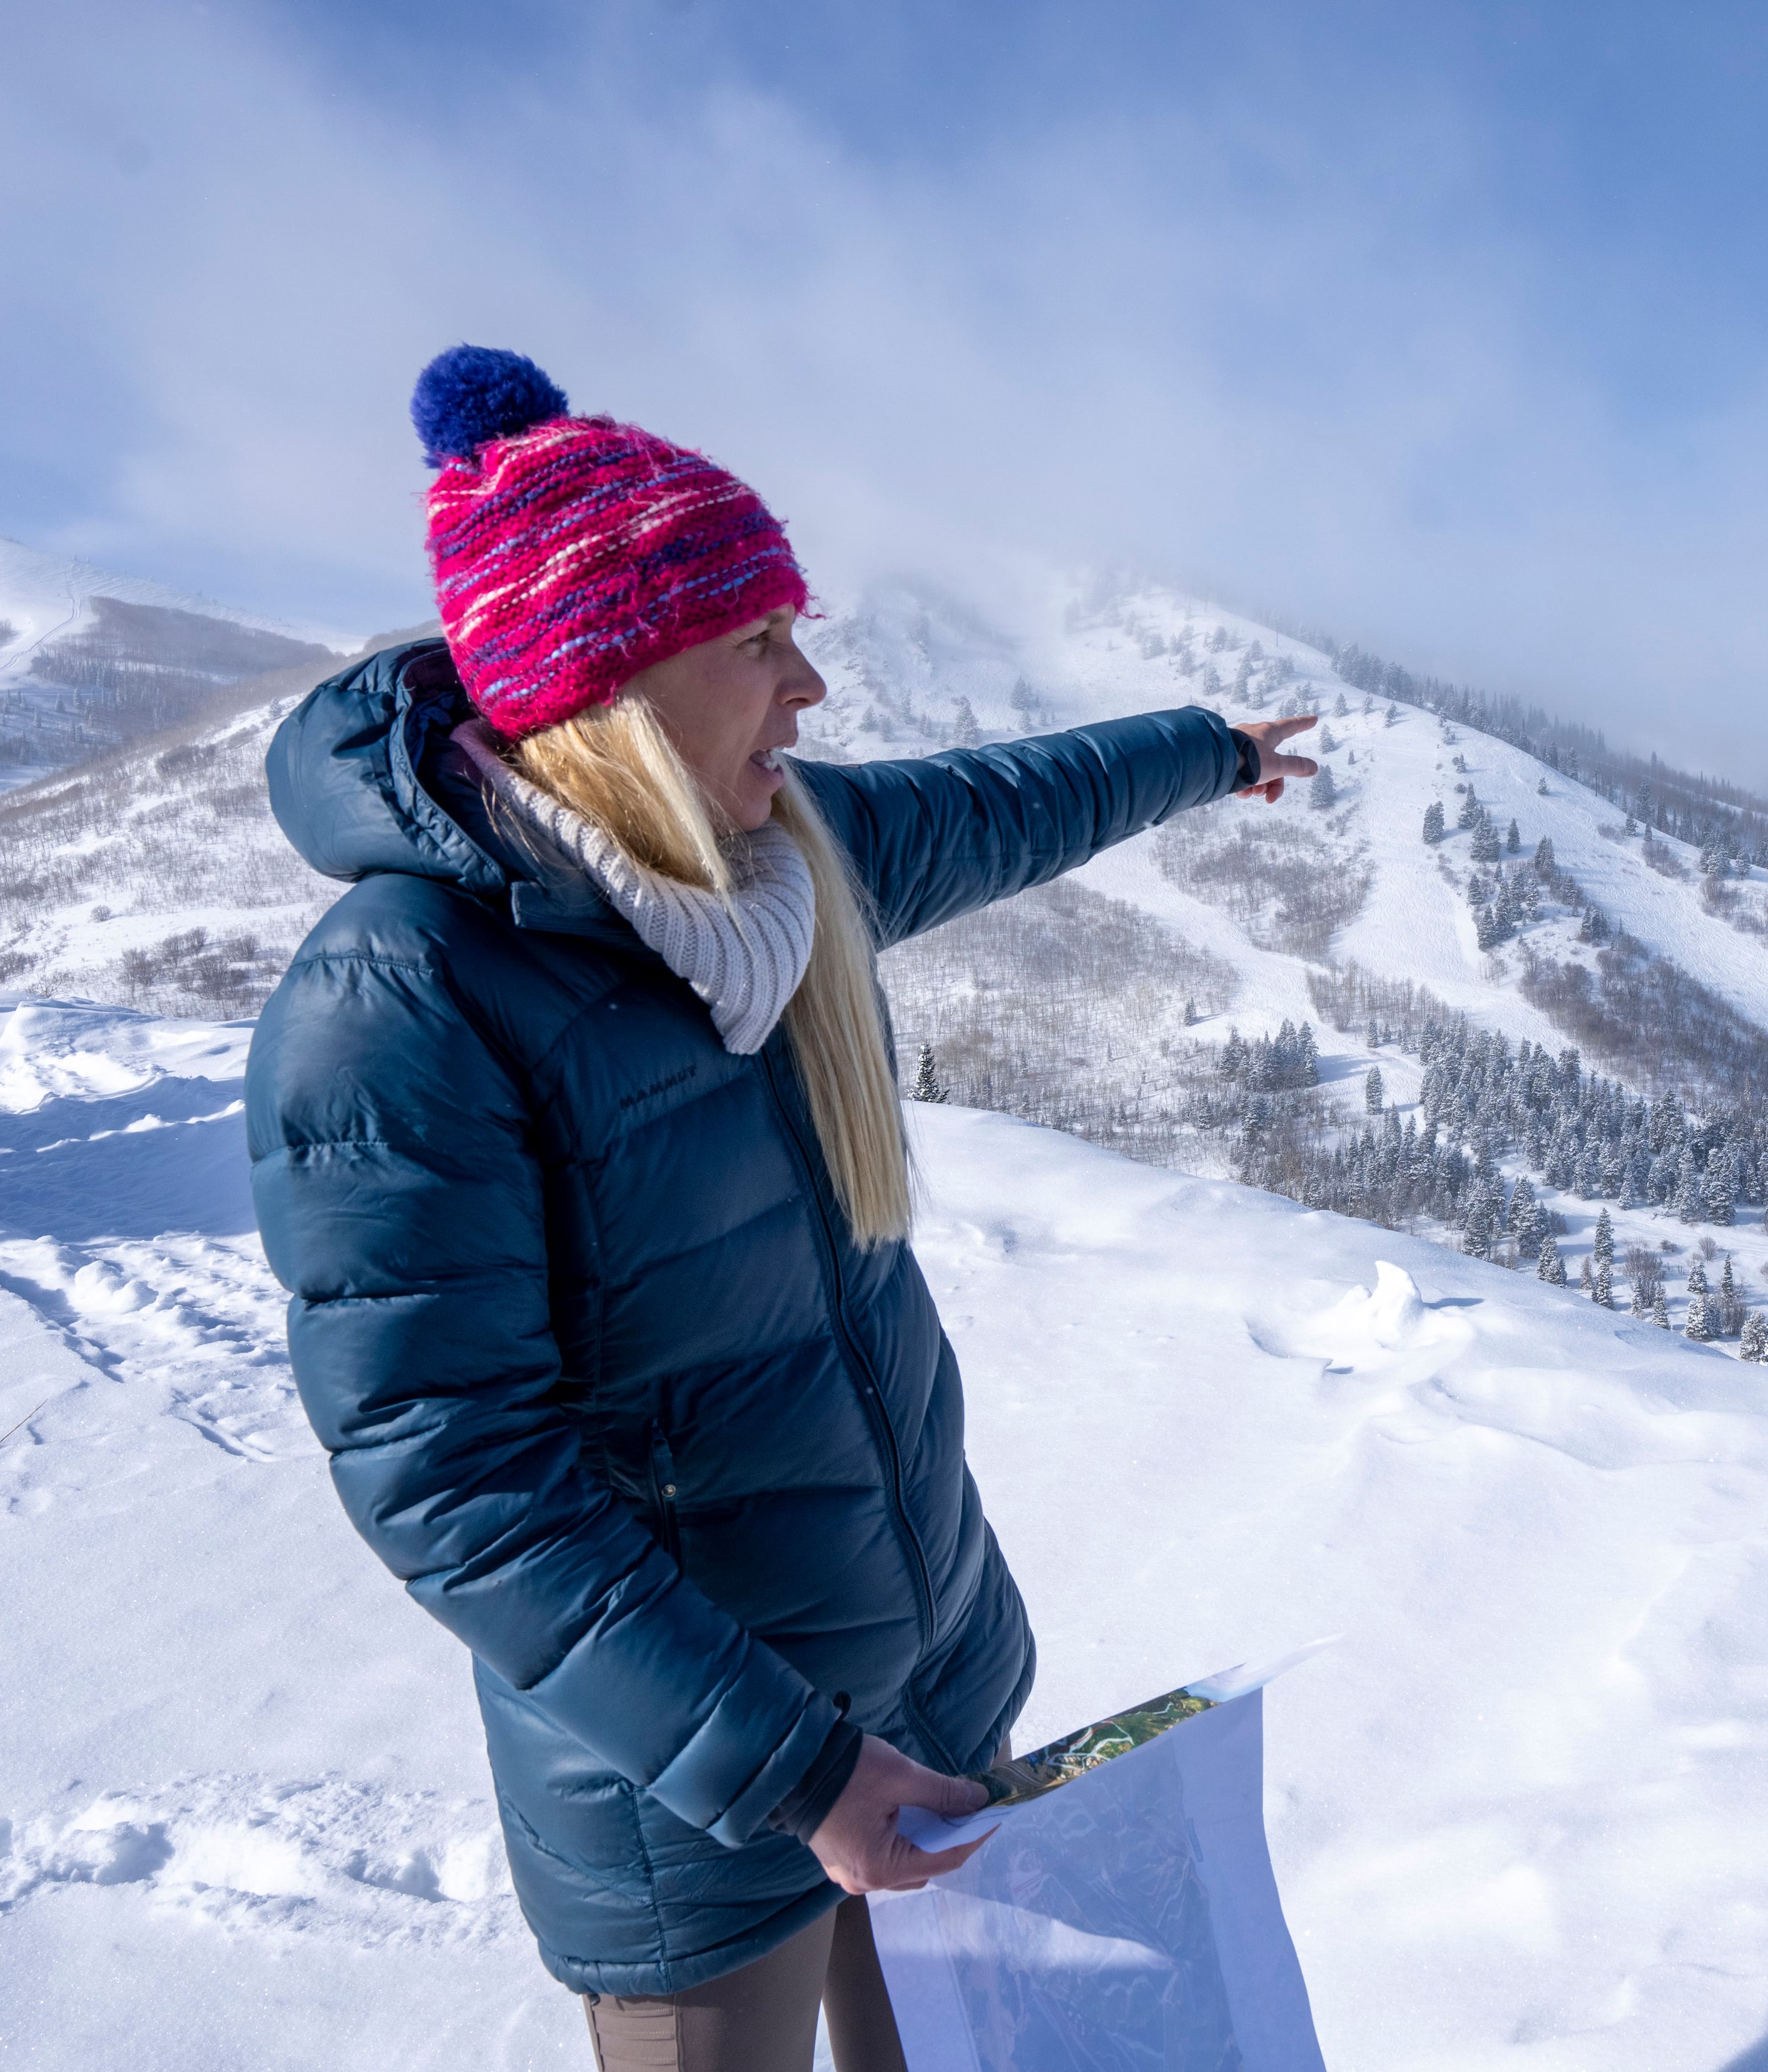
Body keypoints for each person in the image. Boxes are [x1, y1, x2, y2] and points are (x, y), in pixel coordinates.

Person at [245, 347, 1317, 2071]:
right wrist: (799, 1771)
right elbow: (455, 1476)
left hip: (931, 1691)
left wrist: (1204, 751)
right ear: (614, 682)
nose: (808, 688)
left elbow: (996, 805)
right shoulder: (407, 1002)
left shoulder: (780, 867)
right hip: (693, 1802)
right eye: (757, 643)